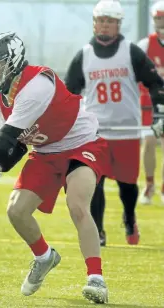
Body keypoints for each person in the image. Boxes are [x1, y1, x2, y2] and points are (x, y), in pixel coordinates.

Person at [0, 31, 121, 304]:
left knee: (77, 205)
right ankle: (44, 257)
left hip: (81, 143)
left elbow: (4, 139)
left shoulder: (37, 85)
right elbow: (14, 146)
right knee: (16, 211)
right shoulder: (0, 97)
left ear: (14, 60)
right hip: (45, 152)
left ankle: (96, 278)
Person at [64, 0, 164, 246]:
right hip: (96, 133)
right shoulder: (84, 55)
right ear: (94, 23)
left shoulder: (131, 51)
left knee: (127, 185)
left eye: (110, 21)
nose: (105, 26)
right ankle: (98, 231)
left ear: (118, 24)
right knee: (95, 183)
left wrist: (160, 115)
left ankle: (129, 218)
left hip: (127, 130)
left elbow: (155, 84)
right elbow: (69, 93)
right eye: (101, 20)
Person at [138, 0, 164, 205]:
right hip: (149, 102)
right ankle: (149, 185)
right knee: (149, 141)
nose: (160, 22)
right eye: (157, 18)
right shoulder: (145, 45)